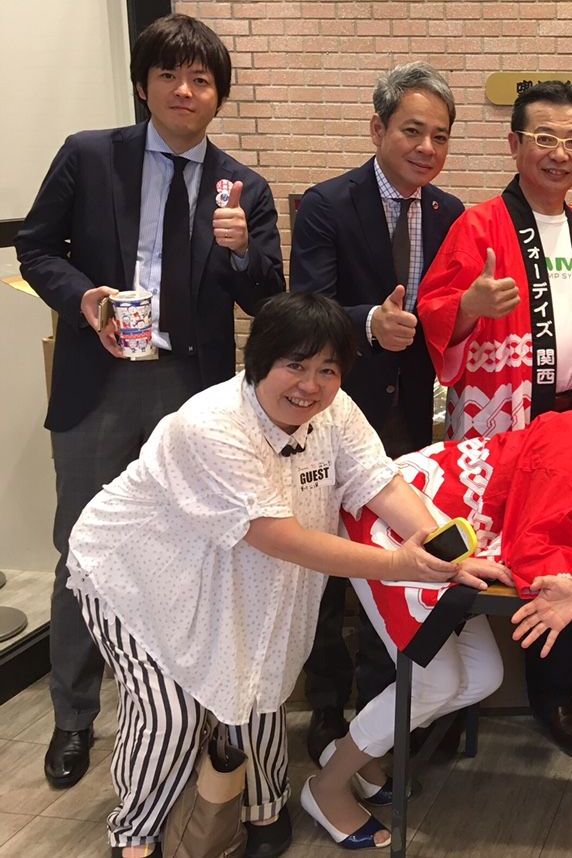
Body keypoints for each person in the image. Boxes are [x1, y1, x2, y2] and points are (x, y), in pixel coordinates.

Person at [65, 294, 481, 858]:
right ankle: (135, 833)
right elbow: (278, 537)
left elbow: (377, 482)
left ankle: (263, 803)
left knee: (262, 673)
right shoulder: (211, 424)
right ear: (259, 359)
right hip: (139, 572)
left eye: (327, 369)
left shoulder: (335, 411)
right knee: (172, 715)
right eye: (295, 365)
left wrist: (443, 547)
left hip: (239, 573)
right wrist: (395, 565)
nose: (310, 385)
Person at [14, 13, 285, 796]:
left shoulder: (243, 187)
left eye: (201, 79)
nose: (184, 90)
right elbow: (37, 247)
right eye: (169, 75)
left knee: (195, 549)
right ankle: (73, 716)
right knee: (83, 547)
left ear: (218, 95)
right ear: (144, 85)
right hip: (99, 381)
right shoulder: (90, 155)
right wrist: (83, 298)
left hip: (190, 390)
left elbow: (268, 297)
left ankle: (182, 707)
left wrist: (242, 250)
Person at [317, 367, 572, 836]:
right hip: (404, 519)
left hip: (460, 546)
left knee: (483, 677)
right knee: (434, 682)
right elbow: (534, 533)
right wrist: (563, 581)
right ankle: (327, 786)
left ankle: (351, 757)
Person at [417, 80, 572, 753]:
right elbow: (434, 314)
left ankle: (553, 693)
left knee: (554, 548)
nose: (560, 153)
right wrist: (468, 306)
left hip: (569, 417)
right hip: (502, 415)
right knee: (480, 547)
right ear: (514, 144)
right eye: (545, 138)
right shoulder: (477, 226)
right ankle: (452, 699)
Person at [290, 62, 465, 763]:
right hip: (335, 409)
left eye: (440, 136)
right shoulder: (327, 204)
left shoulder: (451, 213)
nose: (427, 147)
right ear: (378, 128)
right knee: (328, 563)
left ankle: (386, 699)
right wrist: (368, 323)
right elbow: (307, 304)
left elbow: (447, 308)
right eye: (413, 131)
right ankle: (327, 702)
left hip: (410, 413)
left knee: (392, 558)